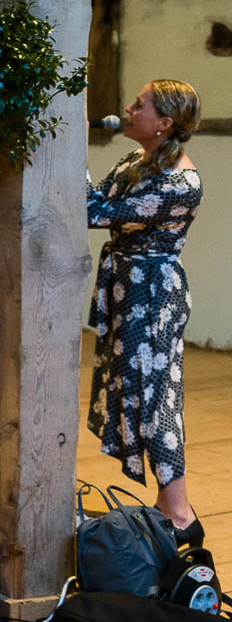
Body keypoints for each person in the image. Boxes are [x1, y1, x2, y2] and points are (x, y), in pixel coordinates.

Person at [87, 78, 204, 544]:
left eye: (140, 104)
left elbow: (94, 211)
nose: (128, 109)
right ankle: (167, 508)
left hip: (153, 297)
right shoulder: (135, 162)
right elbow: (99, 200)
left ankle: (179, 516)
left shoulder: (180, 184)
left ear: (164, 123)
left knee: (154, 402)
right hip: (128, 291)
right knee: (137, 396)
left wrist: (68, 144)